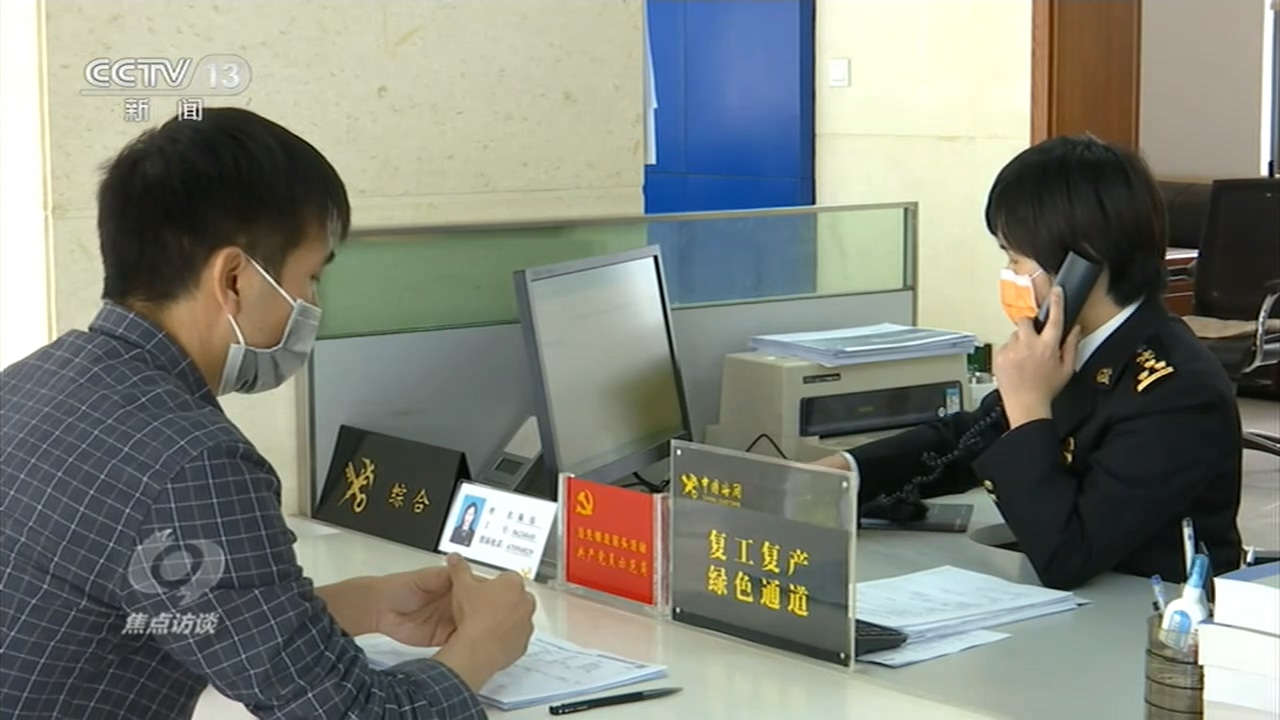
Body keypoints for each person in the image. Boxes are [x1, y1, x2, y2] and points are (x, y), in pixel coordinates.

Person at [0, 108, 534, 719]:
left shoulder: (32, 384)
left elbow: (153, 614)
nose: (311, 304)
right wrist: (482, 646)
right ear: (234, 279)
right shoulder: (193, 463)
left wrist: (365, 604)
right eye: (310, 278)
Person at [814, 135, 1244, 591]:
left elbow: (1066, 555)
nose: (1009, 275)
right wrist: (844, 473)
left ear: (1083, 260)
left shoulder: (1176, 391)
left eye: (1016, 258)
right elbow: (968, 439)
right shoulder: (1074, 347)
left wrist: (1029, 407)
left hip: (1147, 618)